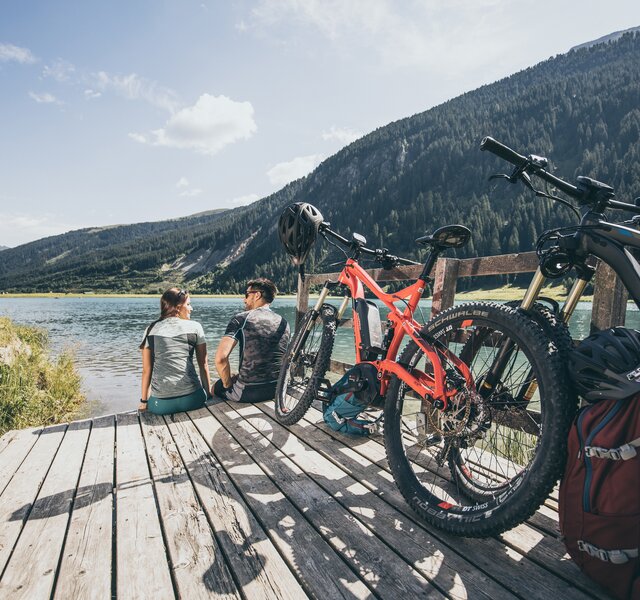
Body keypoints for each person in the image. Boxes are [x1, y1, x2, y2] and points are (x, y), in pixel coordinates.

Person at [213, 278, 289, 403]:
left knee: (215, 387)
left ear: (257, 295)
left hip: (248, 393)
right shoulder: (284, 323)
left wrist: (228, 385)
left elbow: (220, 359)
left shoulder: (241, 319)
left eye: (247, 295)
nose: (244, 300)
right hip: (277, 389)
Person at [139, 288, 212, 414]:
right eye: (188, 304)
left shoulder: (150, 330)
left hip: (160, 406)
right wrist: (208, 395)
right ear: (178, 308)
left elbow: (147, 370)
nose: (191, 308)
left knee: (154, 396)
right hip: (194, 400)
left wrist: (144, 402)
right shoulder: (195, 327)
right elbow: (203, 365)